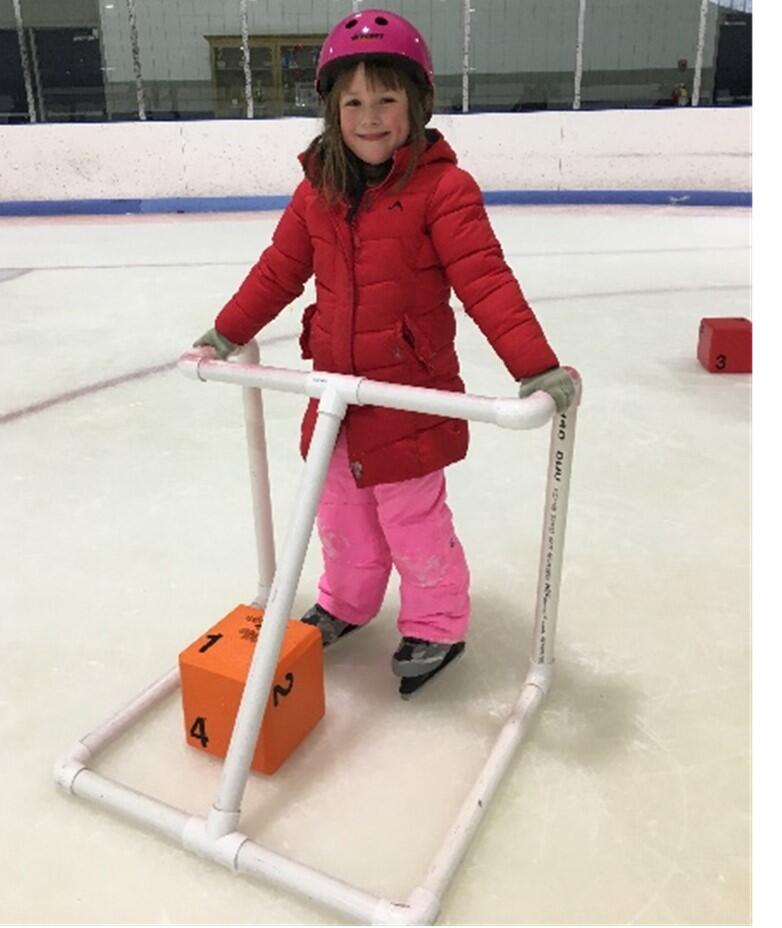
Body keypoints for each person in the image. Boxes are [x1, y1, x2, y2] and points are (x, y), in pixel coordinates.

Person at [193, 8, 574, 697]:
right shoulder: (318, 191)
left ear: (418, 104)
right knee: (338, 512)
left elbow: (486, 281)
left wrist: (535, 367)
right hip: (335, 395)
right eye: (354, 102)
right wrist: (225, 332)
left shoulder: (443, 191)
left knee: (411, 519)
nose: (370, 117)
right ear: (333, 111)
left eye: (387, 99)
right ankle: (346, 603)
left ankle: (437, 622)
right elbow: (278, 270)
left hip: (408, 401)